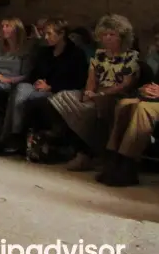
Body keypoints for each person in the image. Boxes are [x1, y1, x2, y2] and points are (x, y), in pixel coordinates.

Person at [48, 14, 139, 171]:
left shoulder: (131, 56)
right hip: (96, 92)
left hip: (115, 95)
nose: (108, 38)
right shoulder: (99, 54)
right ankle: (79, 148)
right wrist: (89, 91)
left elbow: (125, 84)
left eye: (112, 35)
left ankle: (88, 152)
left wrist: (102, 94)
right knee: (64, 97)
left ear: (122, 37)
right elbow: (92, 78)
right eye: (104, 35)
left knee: (94, 108)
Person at [0, 18, 88, 155]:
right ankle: (13, 135)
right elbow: (34, 72)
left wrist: (51, 86)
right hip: (39, 86)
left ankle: (15, 137)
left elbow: (78, 81)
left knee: (30, 98)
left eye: (49, 34)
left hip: (59, 90)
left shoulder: (76, 54)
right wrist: (37, 81)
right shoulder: (45, 52)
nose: (45, 37)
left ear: (61, 34)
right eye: (44, 34)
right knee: (20, 90)